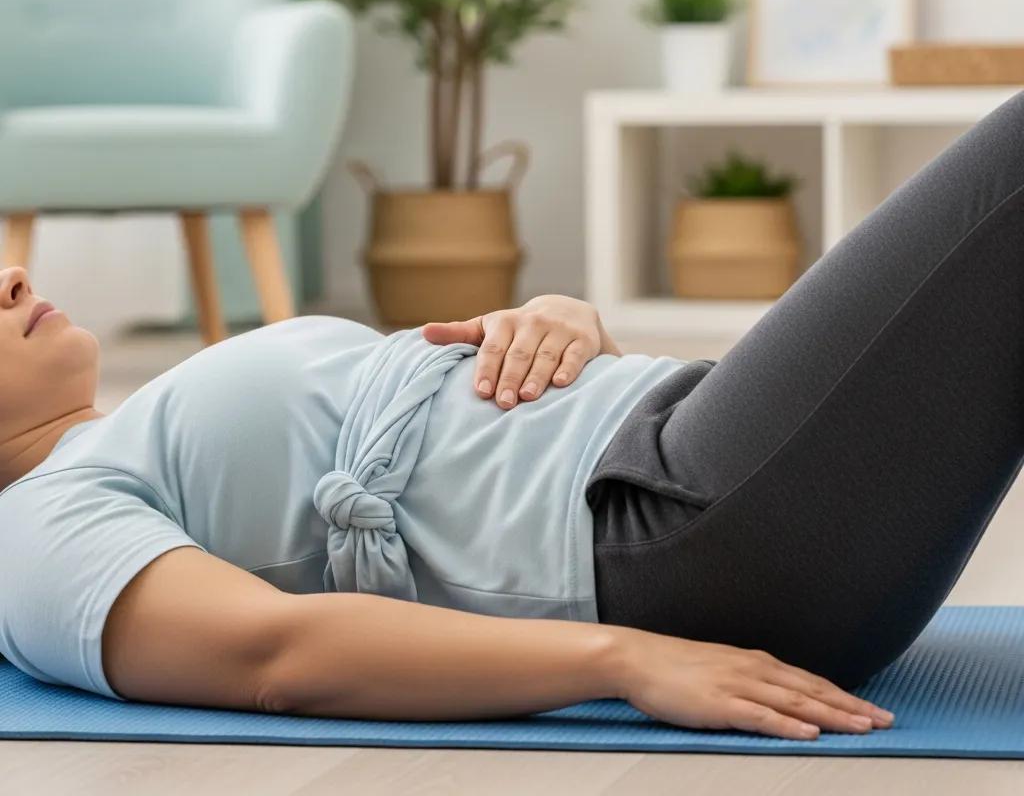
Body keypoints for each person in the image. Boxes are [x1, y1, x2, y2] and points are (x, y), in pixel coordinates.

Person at [4, 90, 1023, 741]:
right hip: (678, 531)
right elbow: (273, 654)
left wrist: (559, 323)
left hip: (679, 469)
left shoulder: (115, 440)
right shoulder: (33, 534)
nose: (9, 279)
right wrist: (628, 659)